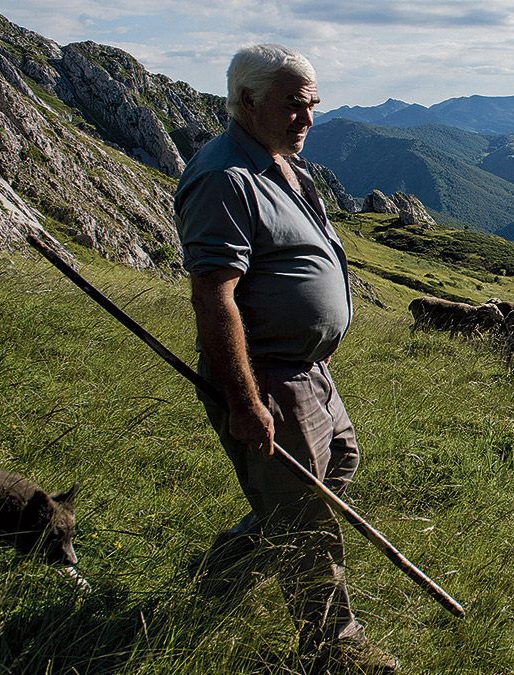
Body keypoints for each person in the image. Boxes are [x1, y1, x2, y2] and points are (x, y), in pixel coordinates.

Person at [174, 43, 397, 673]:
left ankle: (222, 569)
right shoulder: (225, 179)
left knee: (337, 468)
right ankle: (334, 644)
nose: (307, 119)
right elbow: (213, 298)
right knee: (306, 516)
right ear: (247, 101)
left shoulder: (279, 162)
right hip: (271, 377)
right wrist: (245, 401)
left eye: (312, 106)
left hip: (311, 372)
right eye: (294, 106)